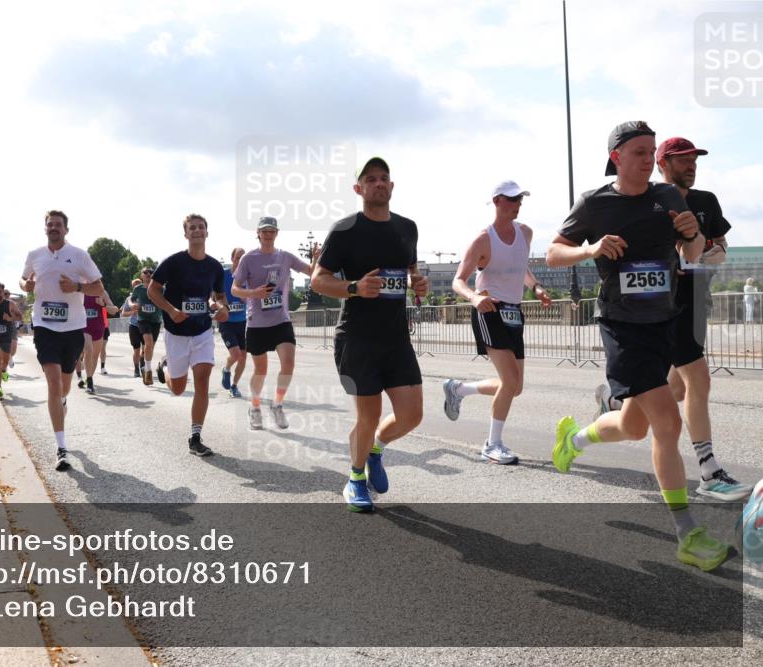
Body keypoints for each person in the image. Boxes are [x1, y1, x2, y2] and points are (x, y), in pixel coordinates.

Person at [547, 120, 730, 572]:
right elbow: (552, 253)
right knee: (667, 423)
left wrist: (691, 235)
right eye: (638, 152)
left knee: (634, 426)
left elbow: (692, 257)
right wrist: (589, 251)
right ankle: (688, 534)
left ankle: (574, 437)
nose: (648, 159)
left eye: (651, 151)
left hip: (663, 321)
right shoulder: (595, 202)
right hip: (622, 324)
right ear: (616, 157)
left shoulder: (667, 197)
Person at [595, 137, 750, 500]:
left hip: (695, 304)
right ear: (663, 164)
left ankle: (608, 408)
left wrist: (707, 253)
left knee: (664, 399)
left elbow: (721, 248)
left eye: (694, 159)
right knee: (699, 381)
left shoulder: (705, 201)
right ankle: (709, 471)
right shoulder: (649, 202)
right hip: (659, 308)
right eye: (682, 160)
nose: (691, 165)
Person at [311, 157, 429, 512]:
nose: (379, 183)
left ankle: (375, 448)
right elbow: (319, 279)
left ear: (392, 187)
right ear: (358, 189)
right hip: (357, 338)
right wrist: (355, 287)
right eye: (371, 179)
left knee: (412, 415)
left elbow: (410, 271)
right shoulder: (345, 230)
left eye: (384, 179)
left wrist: (418, 283)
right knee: (369, 414)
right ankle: (355, 478)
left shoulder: (408, 228)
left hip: (396, 338)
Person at [443, 181, 552, 464]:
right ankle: (493, 444)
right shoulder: (483, 240)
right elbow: (458, 280)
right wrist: (474, 298)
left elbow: (521, 266)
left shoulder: (525, 233)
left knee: (515, 386)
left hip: (514, 312)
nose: (518, 205)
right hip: (489, 310)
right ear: (497, 201)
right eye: (513, 199)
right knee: (510, 381)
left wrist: (536, 287)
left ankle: (459, 389)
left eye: (520, 200)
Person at [20, 210, 105, 471]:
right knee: (54, 383)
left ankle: (63, 401)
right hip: (44, 325)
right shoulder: (35, 255)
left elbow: (98, 287)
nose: (53, 228)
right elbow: (23, 279)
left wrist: (78, 288)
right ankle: (61, 447)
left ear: (66, 230)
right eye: (50, 224)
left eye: (58, 225)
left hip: (73, 328)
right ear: (44, 228)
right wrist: (26, 286)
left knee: (64, 387)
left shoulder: (79, 255)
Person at [148, 213, 229, 457]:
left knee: (203, 380)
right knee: (178, 389)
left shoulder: (215, 266)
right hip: (176, 332)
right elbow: (153, 290)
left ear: (207, 232)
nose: (196, 230)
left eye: (200, 227)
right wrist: (171, 310)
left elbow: (219, 296)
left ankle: (195, 437)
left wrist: (223, 308)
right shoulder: (173, 262)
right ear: (186, 234)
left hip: (203, 330)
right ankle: (166, 369)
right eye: (192, 227)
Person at [232, 218, 318, 429]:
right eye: (264, 231)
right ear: (258, 233)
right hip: (257, 323)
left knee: (288, 363)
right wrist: (254, 293)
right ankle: (254, 407)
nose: (268, 234)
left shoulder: (285, 256)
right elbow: (235, 289)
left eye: (272, 231)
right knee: (260, 370)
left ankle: (277, 405)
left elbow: (310, 272)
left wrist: (317, 259)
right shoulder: (248, 259)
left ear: (277, 233)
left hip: (281, 320)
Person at [219, 248, 248, 398]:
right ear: (232, 258)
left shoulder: (247, 276)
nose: (240, 261)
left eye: (243, 258)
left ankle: (234, 386)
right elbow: (214, 294)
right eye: (238, 258)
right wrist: (222, 303)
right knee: (236, 354)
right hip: (226, 321)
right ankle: (227, 368)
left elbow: (251, 297)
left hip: (242, 321)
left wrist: (247, 298)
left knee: (243, 357)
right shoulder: (223, 274)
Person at [130, 267, 164, 385]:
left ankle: (145, 366)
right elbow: (131, 299)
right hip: (143, 319)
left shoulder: (160, 288)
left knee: (150, 347)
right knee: (148, 343)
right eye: (145, 272)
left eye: (151, 272)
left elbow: (167, 300)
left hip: (156, 320)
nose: (148, 274)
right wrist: (133, 304)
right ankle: (148, 370)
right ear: (142, 275)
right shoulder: (138, 289)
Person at [123, 279, 144, 377]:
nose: (137, 287)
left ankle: (143, 364)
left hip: (146, 324)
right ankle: (136, 369)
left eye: (138, 285)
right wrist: (132, 312)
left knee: (145, 349)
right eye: (135, 286)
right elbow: (123, 313)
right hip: (134, 326)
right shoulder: (130, 298)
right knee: (136, 349)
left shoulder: (147, 296)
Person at [4, 289, 19, 367]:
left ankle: (9, 357)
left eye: (8, 294)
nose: (7, 295)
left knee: (13, 350)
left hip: (12, 326)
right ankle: (4, 371)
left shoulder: (13, 304)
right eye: (5, 294)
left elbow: (18, 316)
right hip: (1, 328)